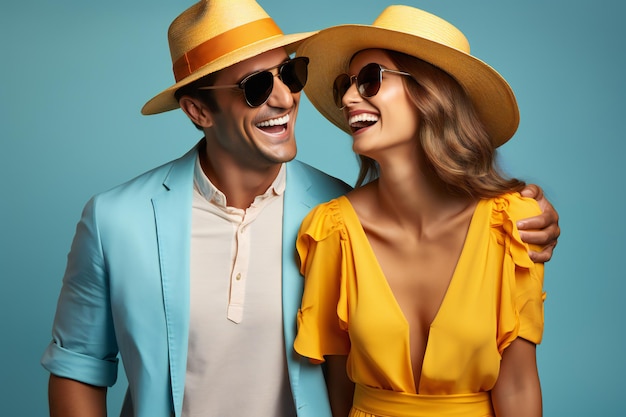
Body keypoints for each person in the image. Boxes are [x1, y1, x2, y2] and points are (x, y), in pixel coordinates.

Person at [40, 1, 558, 417]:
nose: (285, 98)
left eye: (291, 73)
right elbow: (78, 366)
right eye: (256, 85)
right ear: (198, 110)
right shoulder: (115, 220)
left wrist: (523, 214)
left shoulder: (335, 215)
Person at [294, 5, 551, 417]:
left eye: (370, 80)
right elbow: (338, 389)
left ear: (431, 94)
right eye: (346, 83)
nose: (346, 98)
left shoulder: (510, 225)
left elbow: (518, 387)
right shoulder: (332, 231)